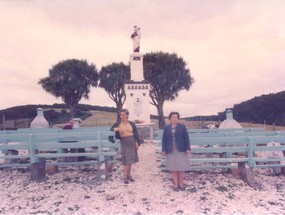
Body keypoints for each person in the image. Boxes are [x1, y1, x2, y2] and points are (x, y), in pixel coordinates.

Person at [162, 112, 191, 191]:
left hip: (181, 149)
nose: (175, 119)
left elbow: (186, 138)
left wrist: (188, 148)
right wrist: (163, 149)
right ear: (170, 119)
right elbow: (164, 139)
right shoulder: (167, 128)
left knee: (181, 167)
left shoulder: (182, 127)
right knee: (173, 167)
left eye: (176, 117)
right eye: (173, 117)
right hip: (170, 149)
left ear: (178, 118)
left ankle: (181, 184)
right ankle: (175, 184)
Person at [110, 109, 141, 184]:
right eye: (121, 115)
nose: (122, 116)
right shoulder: (118, 123)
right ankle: (125, 176)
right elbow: (111, 130)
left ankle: (128, 175)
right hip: (124, 141)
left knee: (130, 159)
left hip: (132, 141)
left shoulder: (132, 124)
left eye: (123, 115)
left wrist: (137, 142)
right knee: (126, 159)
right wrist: (118, 129)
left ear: (127, 115)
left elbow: (135, 133)